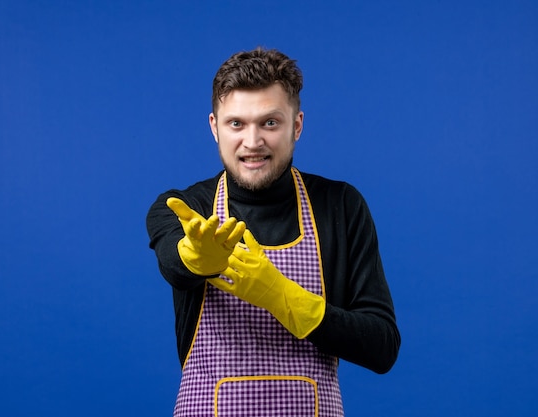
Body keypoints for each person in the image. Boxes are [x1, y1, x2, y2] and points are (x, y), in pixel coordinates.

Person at [146, 47, 400, 417]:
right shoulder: (188, 207)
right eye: (236, 124)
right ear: (214, 126)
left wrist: (281, 295)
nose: (252, 142)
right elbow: (172, 264)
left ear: (296, 125)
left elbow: (382, 346)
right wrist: (193, 258)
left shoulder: (339, 205)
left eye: (270, 123)